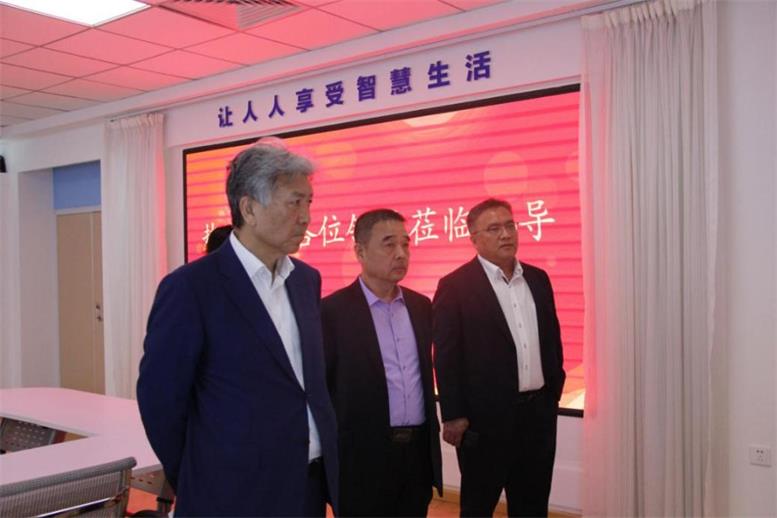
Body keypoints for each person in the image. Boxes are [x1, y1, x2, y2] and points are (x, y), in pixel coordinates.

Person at [136, 139, 338, 517]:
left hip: (306, 485)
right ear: (249, 208)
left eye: (309, 202)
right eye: (294, 202)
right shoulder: (192, 288)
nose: (306, 217)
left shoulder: (305, 280)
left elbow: (307, 383)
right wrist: (199, 475)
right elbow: (160, 401)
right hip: (231, 493)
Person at [433, 198, 565, 517]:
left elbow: (552, 340)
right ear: (474, 238)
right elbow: (447, 355)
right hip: (484, 421)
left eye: (510, 226)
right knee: (478, 506)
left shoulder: (538, 279)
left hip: (537, 417)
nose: (505, 234)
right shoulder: (455, 286)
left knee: (532, 506)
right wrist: (453, 414)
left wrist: (552, 395)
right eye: (494, 228)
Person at [322, 209, 442, 517]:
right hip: (362, 456)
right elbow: (324, 388)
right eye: (389, 244)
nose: (401, 253)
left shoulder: (420, 306)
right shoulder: (332, 312)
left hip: (415, 454)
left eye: (406, 244)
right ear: (360, 252)